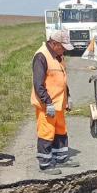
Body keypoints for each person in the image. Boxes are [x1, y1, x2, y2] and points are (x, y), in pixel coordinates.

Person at [31, 29, 79, 175]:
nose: (64, 50)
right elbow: (38, 84)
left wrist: (68, 97)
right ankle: (45, 164)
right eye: (63, 47)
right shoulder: (41, 56)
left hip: (59, 103)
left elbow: (62, 79)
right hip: (48, 105)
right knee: (46, 132)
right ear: (54, 43)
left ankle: (61, 158)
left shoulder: (58, 56)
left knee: (60, 130)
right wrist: (48, 103)